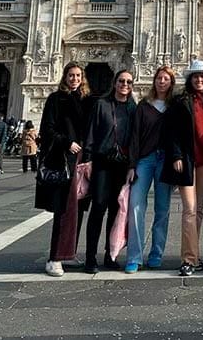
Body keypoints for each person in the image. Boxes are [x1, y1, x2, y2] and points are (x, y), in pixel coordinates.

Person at [35, 60, 93, 278]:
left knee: (77, 208)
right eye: (71, 75)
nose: (75, 79)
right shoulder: (55, 99)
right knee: (63, 210)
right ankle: (54, 258)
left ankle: (68, 252)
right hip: (63, 159)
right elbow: (47, 129)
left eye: (78, 76)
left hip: (82, 159)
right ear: (65, 77)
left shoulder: (86, 100)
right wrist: (67, 142)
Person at [161, 59, 203, 277]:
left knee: (198, 210)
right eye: (196, 76)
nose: (199, 79)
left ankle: (193, 254)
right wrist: (175, 154)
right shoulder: (180, 101)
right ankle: (188, 259)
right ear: (190, 80)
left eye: (202, 76)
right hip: (186, 159)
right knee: (190, 210)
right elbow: (171, 130)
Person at [84, 68, 137, 273]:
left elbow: (135, 140)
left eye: (128, 82)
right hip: (102, 163)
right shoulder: (101, 105)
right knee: (98, 207)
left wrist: (132, 165)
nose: (125, 85)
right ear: (114, 83)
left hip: (122, 165)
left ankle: (110, 254)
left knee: (116, 211)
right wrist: (87, 160)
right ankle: (90, 257)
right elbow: (90, 133)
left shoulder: (133, 108)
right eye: (121, 81)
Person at [125, 65, 176, 272]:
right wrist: (131, 164)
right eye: (159, 78)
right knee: (136, 205)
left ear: (171, 83)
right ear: (154, 81)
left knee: (162, 210)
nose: (162, 81)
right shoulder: (143, 106)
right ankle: (134, 257)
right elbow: (134, 136)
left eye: (165, 79)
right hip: (145, 161)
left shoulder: (175, 106)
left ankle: (156, 253)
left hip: (165, 160)